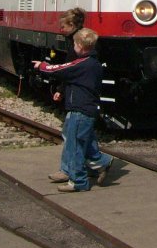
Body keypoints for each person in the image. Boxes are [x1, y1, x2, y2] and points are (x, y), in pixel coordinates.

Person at [32, 27, 113, 191]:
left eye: (75, 44)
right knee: (79, 139)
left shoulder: (82, 64)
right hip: (84, 108)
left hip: (80, 109)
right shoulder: (94, 63)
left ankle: (78, 181)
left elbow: (60, 69)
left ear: (80, 47)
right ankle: (100, 162)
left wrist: (43, 66)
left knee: (75, 144)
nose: (73, 47)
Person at [47, 7, 88, 184]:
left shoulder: (76, 48)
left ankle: (72, 173)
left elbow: (70, 70)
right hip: (82, 99)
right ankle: (100, 162)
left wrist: (60, 89)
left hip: (77, 98)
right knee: (81, 134)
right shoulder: (87, 49)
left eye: (63, 27)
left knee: (71, 134)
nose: (60, 30)